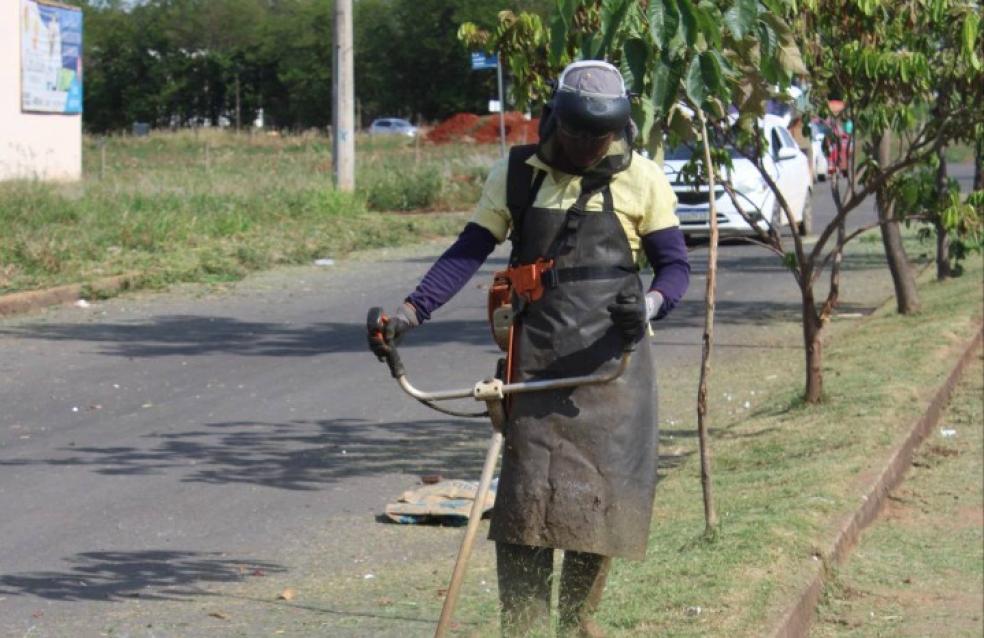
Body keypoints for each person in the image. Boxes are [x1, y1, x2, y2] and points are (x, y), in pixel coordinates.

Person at [368, 60, 690, 637]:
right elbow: (467, 252)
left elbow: (675, 267)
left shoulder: (643, 178)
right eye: (580, 134)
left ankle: (576, 626)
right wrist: (411, 313)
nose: (592, 146)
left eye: (604, 136)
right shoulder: (519, 174)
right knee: (525, 513)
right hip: (533, 367)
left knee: (596, 510)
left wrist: (648, 306)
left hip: (611, 374)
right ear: (555, 120)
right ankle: (520, 627)